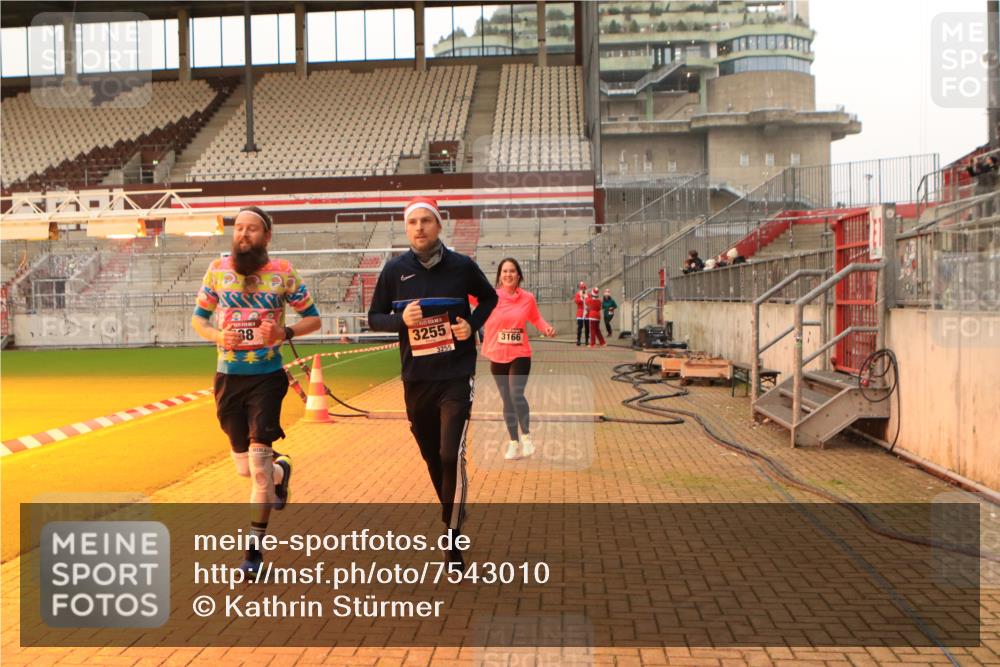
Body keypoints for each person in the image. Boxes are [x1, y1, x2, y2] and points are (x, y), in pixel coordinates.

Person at [367, 196, 498, 572]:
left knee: (449, 454)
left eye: (427, 221)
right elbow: (374, 317)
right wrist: (400, 321)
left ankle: (452, 535)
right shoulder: (394, 271)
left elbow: (489, 298)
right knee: (431, 455)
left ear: (439, 226)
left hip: (456, 374)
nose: (419, 228)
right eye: (413, 222)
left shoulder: (462, 265)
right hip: (416, 378)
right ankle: (453, 505)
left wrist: (471, 324)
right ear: (406, 229)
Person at [191, 206, 321, 575]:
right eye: (239, 229)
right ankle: (283, 471)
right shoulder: (217, 271)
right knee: (246, 470)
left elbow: (314, 317)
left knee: (257, 469)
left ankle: (253, 553)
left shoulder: (282, 272)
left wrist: (285, 332)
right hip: (228, 378)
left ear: (266, 237)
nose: (244, 234)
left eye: (252, 229)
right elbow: (198, 320)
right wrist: (219, 335)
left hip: (267, 378)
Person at [481, 258, 555, 461]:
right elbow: (468, 294)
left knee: (516, 393)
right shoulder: (491, 297)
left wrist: (546, 328)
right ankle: (514, 443)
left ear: (519, 275)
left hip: (520, 353)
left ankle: (527, 437)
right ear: (499, 275)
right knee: (507, 400)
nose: (508, 274)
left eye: (512, 271)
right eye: (504, 271)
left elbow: (536, 318)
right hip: (497, 353)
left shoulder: (527, 298)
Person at [573, 281, 589, 346]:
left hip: (586, 313)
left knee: (587, 327)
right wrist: (581, 298)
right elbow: (576, 301)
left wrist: (586, 298)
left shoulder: (587, 294)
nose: (583, 289)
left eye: (584, 288)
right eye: (582, 288)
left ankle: (587, 341)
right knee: (580, 327)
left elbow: (590, 301)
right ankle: (578, 340)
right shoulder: (578, 294)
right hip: (580, 312)